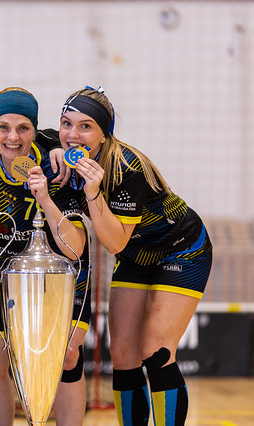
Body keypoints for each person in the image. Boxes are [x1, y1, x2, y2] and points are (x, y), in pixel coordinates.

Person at [59, 86, 213, 425]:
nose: (73, 135)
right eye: (66, 124)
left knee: (155, 351)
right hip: (136, 256)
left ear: (104, 133)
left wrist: (93, 193)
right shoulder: (65, 154)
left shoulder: (126, 167)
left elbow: (114, 243)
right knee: (123, 355)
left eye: (85, 126)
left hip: (181, 248)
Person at [0, 87, 91, 425]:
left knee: (67, 356)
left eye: (23, 128)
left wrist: (45, 195)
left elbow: (75, 248)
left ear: (35, 131)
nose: (13, 137)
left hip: (61, 274)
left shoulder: (58, 167)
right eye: (3, 127)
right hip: (3, 271)